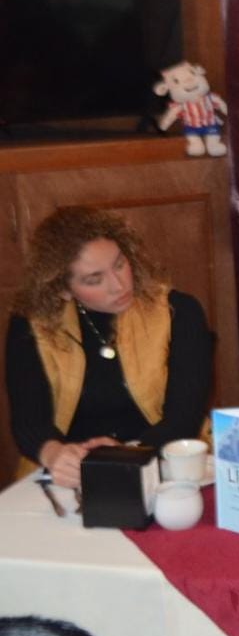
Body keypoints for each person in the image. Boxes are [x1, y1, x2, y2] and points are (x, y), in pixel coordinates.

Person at [5, 207, 212, 488]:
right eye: (94, 279)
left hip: (164, 463)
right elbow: (29, 423)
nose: (118, 285)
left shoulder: (179, 311)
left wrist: (122, 455)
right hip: (70, 474)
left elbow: (184, 418)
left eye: (119, 264)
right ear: (62, 289)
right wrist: (54, 453)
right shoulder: (31, 324)